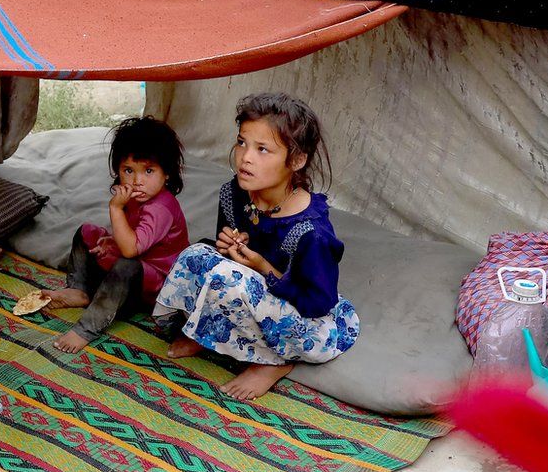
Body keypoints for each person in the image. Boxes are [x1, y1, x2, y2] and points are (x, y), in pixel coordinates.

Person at [153, 93, 359, 401]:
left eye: (263, 149)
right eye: (242, 143)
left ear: (297, 160)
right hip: (258, 291)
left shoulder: (312, 232)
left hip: (308, 322)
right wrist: (229, 245)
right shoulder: (236, 192)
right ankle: (206, 332)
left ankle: (275, 362)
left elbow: (317, 304)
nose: (245, 157)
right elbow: (224, 255)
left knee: (229, 279)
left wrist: (260, 266)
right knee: (197, 256)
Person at [43, 116, 190, 353]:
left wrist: (115, 208)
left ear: (168, 174)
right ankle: (77, 289)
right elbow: (129, 235)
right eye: (128, 170)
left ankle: (86, 328)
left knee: (126, 265)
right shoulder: (135, 195)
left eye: (149, 171)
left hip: (158, 284)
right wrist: (111, 241)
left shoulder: (161, 207)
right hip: (136, 257)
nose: (137, 181)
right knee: (86, 232)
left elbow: (132, 250)